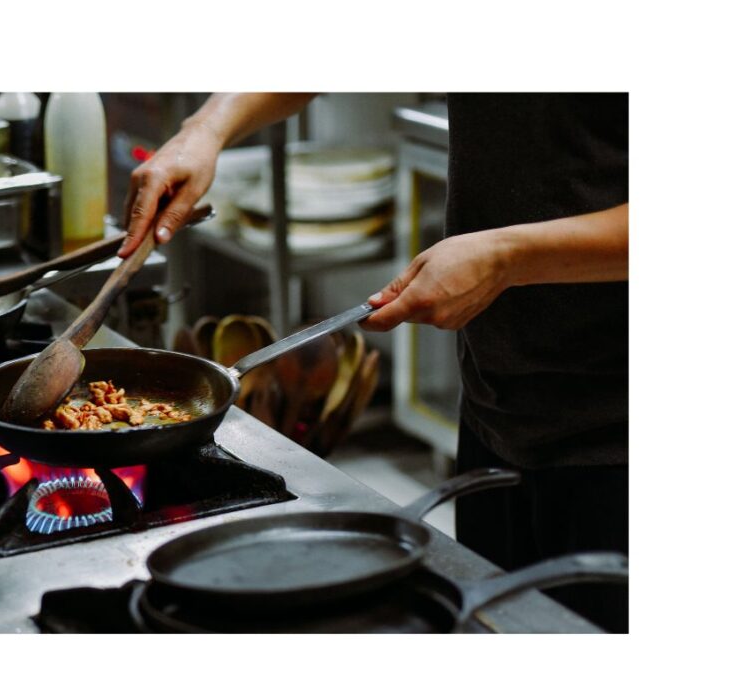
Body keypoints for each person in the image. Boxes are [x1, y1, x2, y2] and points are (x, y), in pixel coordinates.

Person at [118, 93, 629, 632]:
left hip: (621, 431)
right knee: (505, 629)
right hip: (497, 405)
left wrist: (507, 258)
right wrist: (205, 129)